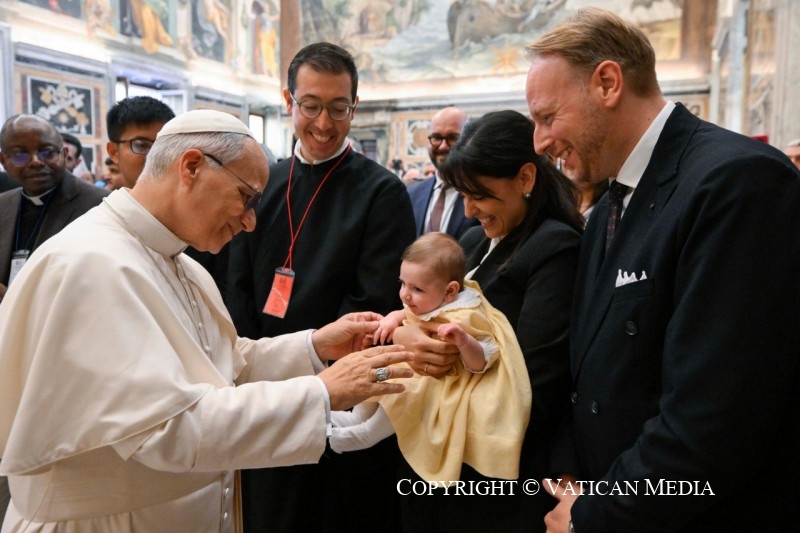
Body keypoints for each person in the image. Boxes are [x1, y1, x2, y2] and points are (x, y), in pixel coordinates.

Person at [0, 109, 415, 531]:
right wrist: (322, 391)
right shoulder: (92, 264)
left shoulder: (177, 260)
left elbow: (217, 363)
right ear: (192, 166)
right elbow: (164, 428)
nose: (251, 220)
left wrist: (313, 346)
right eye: (245, 196)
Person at [524, 7, 800, 532]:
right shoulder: (609, 206)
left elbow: (716, 420)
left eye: (546, 117)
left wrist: (597, 513)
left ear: (607, 83)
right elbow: (583, 371)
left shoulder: (737, 183)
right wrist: (569, 481)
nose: (539, 143)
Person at [226, 42, 417, 533]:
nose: (325, 124)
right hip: (262, 389)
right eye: (311, 106)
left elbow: (371, 302)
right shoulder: (264, 181)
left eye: (339, 108)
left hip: (338, 400)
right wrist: (251, 363)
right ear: (288, 101)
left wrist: (309, 372)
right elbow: (237, 281)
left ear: (354, 105)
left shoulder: (382, 192)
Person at [393, 109, 584, 532]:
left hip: (495, 466)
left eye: (479, 194)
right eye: (462, 194)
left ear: (526, 179)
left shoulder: (555, 247)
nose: (469, 208)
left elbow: (534, 375)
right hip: (443, 445)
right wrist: (409, 334)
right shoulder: (475, 239)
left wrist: (448, 353)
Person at [329, 232, 531, 484]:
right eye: (402, 283)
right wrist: (392, 320)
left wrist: (463, 340)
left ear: (450, 292)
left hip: (431, 384)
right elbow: (402, 312)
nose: (405, 294)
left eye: (416, 289)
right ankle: (338, 416)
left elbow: (487, 356)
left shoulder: (466, 315)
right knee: (369, 389)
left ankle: (360, 436)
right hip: (406, 366)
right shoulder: (426, 301)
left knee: (401, 399)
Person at [0, 114, 109, 524]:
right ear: (3, 160)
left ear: (64, 153)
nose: (35, 162)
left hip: (64, 354)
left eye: (47, 151)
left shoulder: (97, 206)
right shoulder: (4, 205)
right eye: (20, 154)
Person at [407, 106, 478, 239]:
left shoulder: (480, 192)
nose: (443, 146)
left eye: (453, 138)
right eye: (436, 138)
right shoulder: (412, 194)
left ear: (469, 140)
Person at [106, 95, 175, 191]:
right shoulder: (104, 205)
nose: (155, 156)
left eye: (163, 146)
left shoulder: (191, 204)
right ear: (114, 152)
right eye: (142, 145)